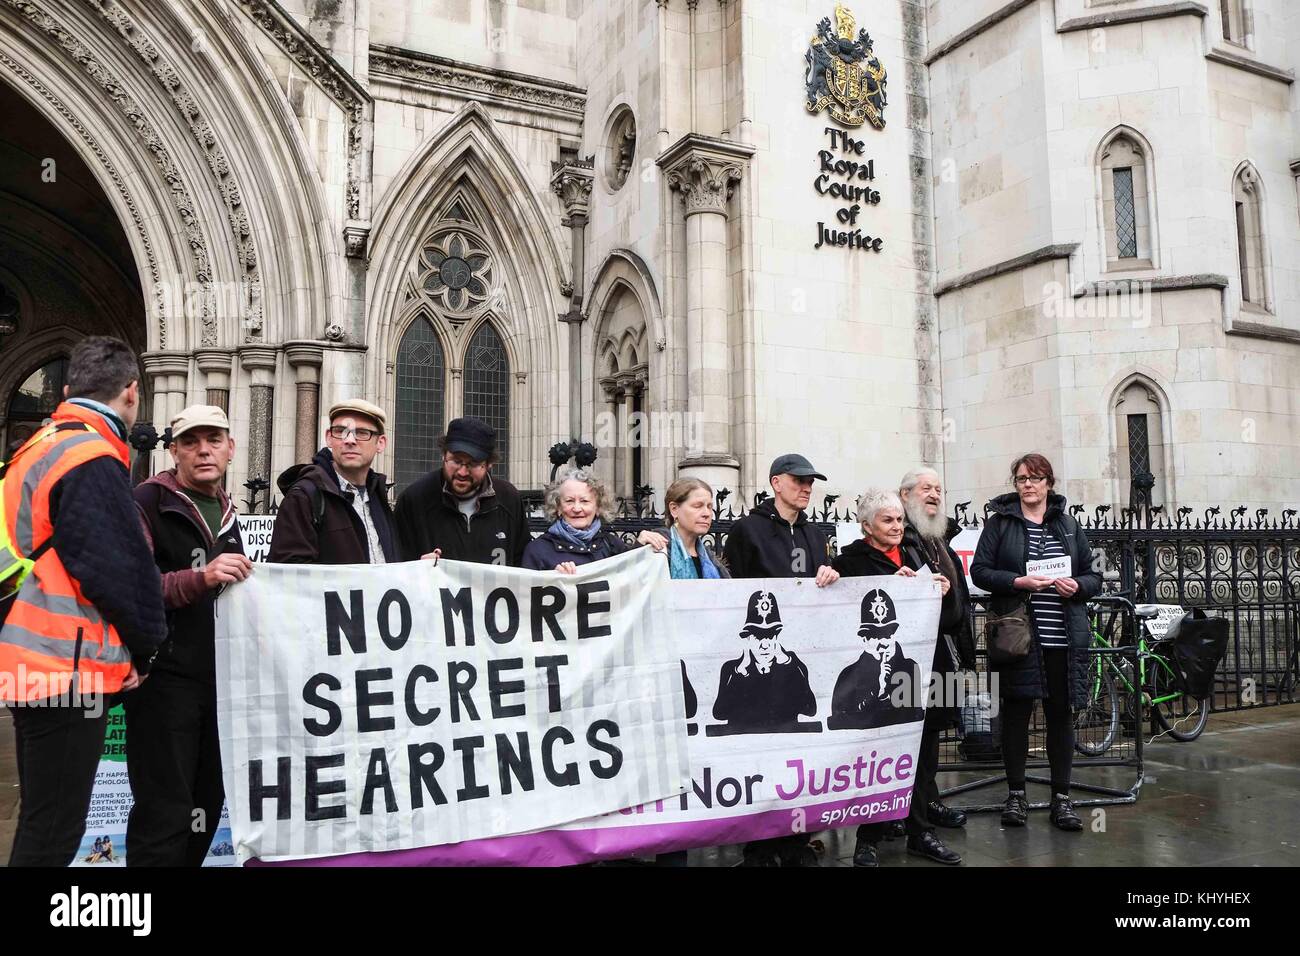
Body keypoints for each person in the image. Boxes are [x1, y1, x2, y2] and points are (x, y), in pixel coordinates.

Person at [0, 335, 167, 867]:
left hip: (30, 665)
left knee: (40, 822)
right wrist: (146, 648)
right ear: (132, 392)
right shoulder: (89, 455)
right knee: (52, 834)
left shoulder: (38, 444)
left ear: (71, 388)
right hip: (68, 672)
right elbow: (119, 570)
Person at [129, 405, 251, 866]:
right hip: (164, 682)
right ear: (173, 450)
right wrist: (200, 579)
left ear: (231, 448)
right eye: (191, 442)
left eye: (214, 440)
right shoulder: (147, 502)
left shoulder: (227, 511)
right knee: (164, 813)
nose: (204, 450)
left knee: (205, 804)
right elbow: (135, 588)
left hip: (219, 687)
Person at [971, 453, 1102, 832]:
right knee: (1015, 718)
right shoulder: (1000, 524)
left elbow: (1092, 578)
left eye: (1036, 478)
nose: (1028, 484)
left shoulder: (1068, 525)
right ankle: (1016, 795)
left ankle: (1062, 798)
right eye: (1022, 478)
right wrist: (1017, 582)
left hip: (1063, 638)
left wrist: (1077, 586)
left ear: (1049, 483)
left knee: (1061, 717)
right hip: (1018, 637)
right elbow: (980, 571)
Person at [831, 487, 962, 867]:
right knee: (875, 759)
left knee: (923, 759)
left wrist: (942, 590)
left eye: (900, 519)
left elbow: (951, 616)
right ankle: (868, 838)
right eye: (887, 520)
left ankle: (921, 832)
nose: (896, 526)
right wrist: (826, 576)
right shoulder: (850, 562)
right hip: (870, 684)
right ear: (866, 525)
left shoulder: (917, 553)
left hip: (921, 672)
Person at [722, 453, 839, 867]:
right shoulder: (746, 529)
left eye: (811, 482)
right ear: (776, 483)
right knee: (761, 750)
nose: (807, 487)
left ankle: (796, 838)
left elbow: (826, 581)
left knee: (799, 749)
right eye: (799, 480)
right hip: (759, 660)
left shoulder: (815, 532)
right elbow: (731, 590)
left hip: (800, 659)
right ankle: (759, 844)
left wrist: (830, 573)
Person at [898, 467, 977, 830]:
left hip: (941, 651)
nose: (934, 495)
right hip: (912, 656)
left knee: (932, 735)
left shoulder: (937, 537)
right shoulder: (901, 537)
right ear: (905, 495)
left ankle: (928, 802)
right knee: (910, 736)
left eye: (938, 489)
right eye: (926, 488)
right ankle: (905, 813)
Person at [269, 399, 398, 564]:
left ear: (380, 443)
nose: (349, 440)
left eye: (362, 433)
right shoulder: (304, 497)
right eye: (341, 431)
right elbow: (289, 577)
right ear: (329, 438)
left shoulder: (378, 497)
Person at [395, 417, 529, 565]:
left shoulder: (509, 499)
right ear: (444, 455)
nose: (462, 472)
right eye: (456, 461)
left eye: (473, 463)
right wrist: (418, 568)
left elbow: (523, 563)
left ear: (489, 464)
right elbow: (397, 565)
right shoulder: (414, 500)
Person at [711, 590, 818, 733]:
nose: (765, 644)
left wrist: (787, 664)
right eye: (758, 636)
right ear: (747, 638)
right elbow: (719, 713)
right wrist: (740, 673)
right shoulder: (732, 669)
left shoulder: (792, 664)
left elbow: (810, 709)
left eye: (770, 636)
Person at [521, 465, 664, 571]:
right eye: (569, 501)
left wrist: (640, 547)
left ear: (598, 507)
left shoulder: (613, 546)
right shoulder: (537, 550)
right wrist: (552, 581)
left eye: (584, 501)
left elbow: (633, 579)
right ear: (558, 508)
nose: (577, 508)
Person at [829, 588, 923, 730]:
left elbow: (914, 716)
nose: (883, 642)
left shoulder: (909, 668)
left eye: (888, 635)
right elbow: (838, 722)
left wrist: (885, 695)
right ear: (865, 639)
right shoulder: (848, 675)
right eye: (876, 636)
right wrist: (875, 694)